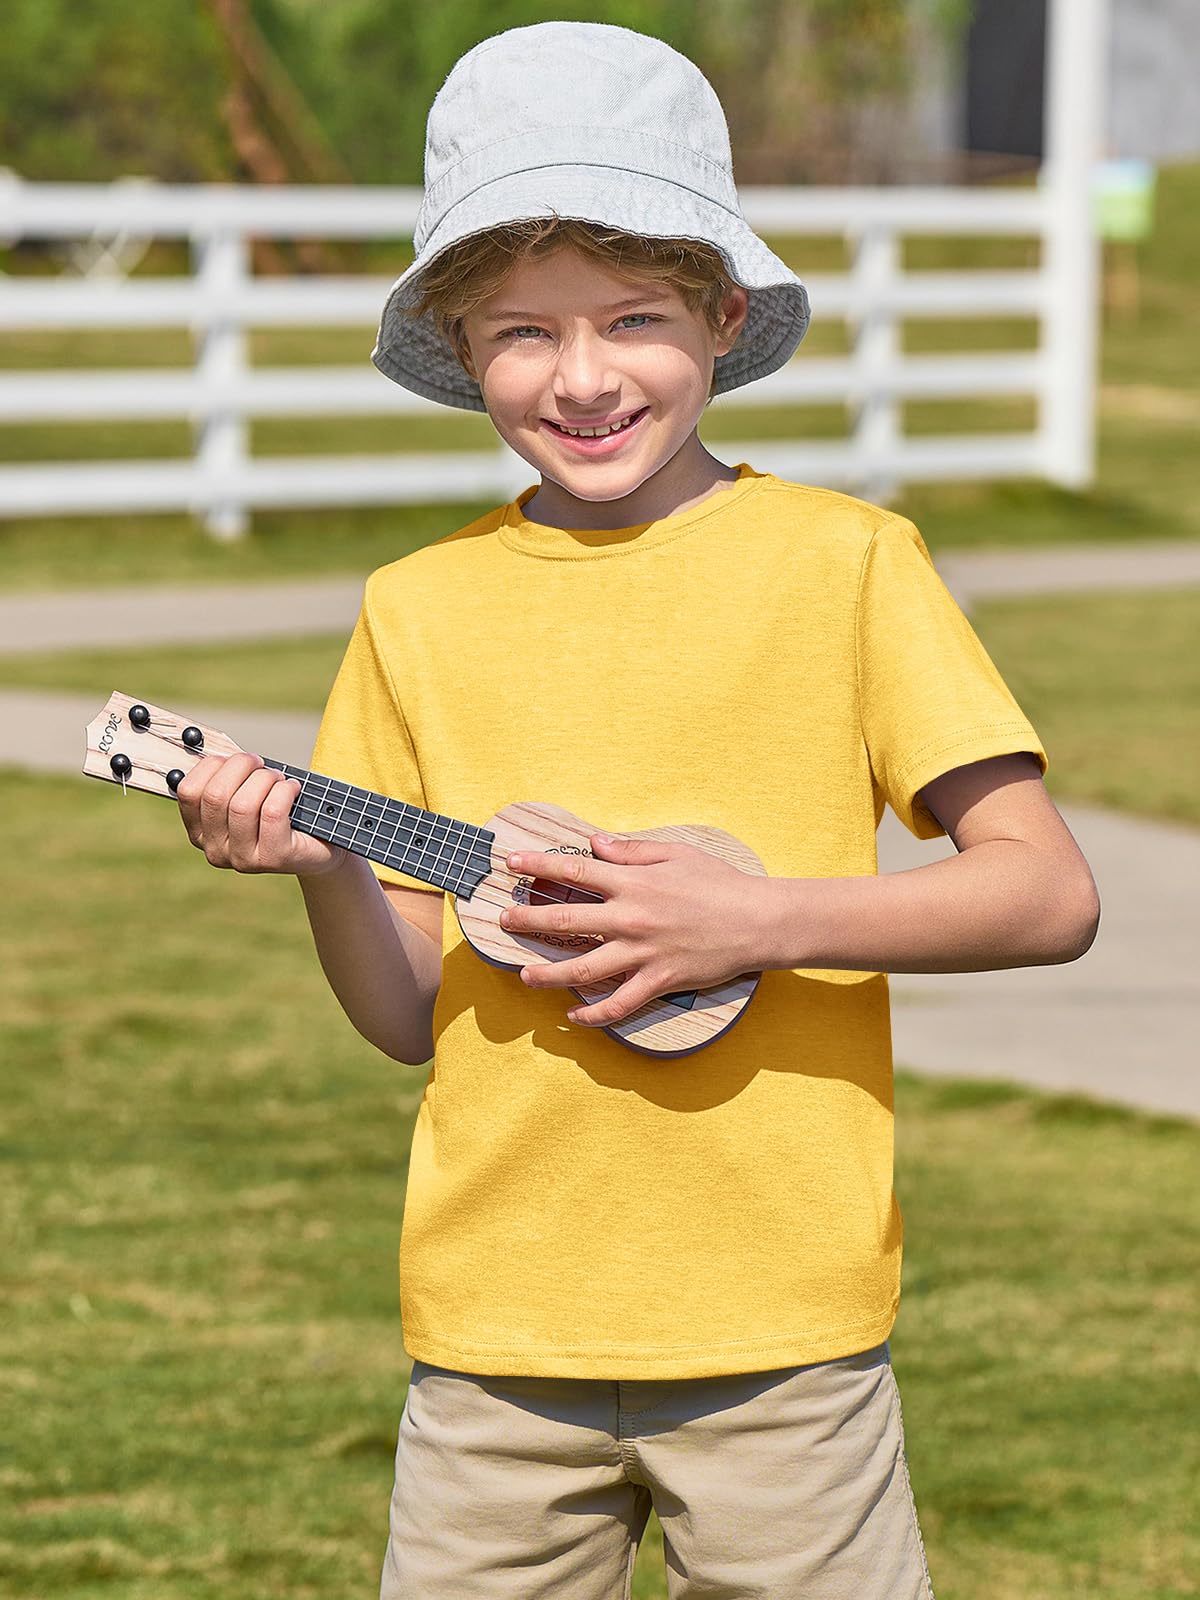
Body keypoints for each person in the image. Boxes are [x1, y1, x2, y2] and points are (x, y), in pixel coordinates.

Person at [175, 21, 1100, 1600]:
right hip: (494, 1336)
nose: (584, 375)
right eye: (523, 332)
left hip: (783, 1335)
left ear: (722, 317)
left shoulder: (847, 567)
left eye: (634, 319)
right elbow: (407, 1016)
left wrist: (757, 921)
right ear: (462, 346)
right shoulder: (417, 609)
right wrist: (325, 867)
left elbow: (1046, 890)